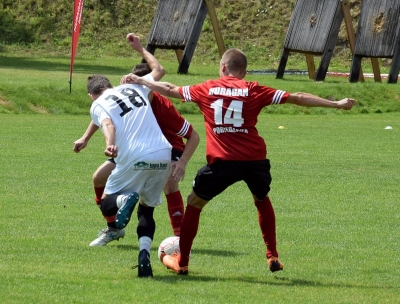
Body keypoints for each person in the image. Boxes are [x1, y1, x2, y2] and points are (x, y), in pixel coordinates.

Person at [127, 48, 355, 275]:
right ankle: (272, 255)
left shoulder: (206, 89)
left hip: (222, 161)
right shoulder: (253, 89)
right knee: (262, 199)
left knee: (194, 203)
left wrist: (142, 81)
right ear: (244, 72)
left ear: (223, 67)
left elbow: (169, 89)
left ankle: (183, 261)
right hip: (255, 160)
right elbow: (297, 97)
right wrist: (335, 104)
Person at [83, 32, 175, 278]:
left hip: (134, 156)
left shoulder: (98, 103)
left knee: (108, 200)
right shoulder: (134, 85)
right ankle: (144, 253)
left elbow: (107, 124)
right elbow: (159, 69)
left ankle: (123, 202)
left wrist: (110, 144)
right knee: (147, 210)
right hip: (163, 153)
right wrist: (140, 49)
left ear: (93, 94)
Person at [74, 63, 200, 240]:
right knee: (99, 177)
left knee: (170, 183)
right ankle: (113, 228)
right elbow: (105, 116)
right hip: (135, 148)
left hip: (167, 148)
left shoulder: (163, 108)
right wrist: (85, 138)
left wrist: (182, 162)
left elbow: (193, 135)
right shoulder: (129, 96)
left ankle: (180, 238)